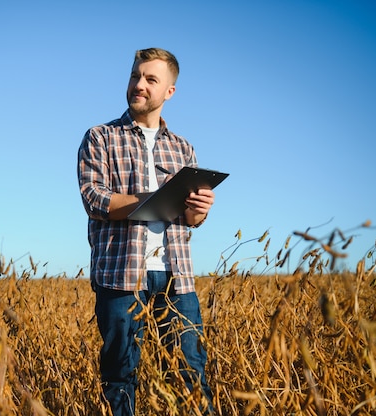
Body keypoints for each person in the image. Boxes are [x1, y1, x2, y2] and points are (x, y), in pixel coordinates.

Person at [77, 48, 215, 415]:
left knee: (191, 373)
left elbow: (191, 222)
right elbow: (94, 198)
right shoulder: (100, 137)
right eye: (135, 76)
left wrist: (197, 211)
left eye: (151, 79)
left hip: (177, 277)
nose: (139, 85)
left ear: (169, 92)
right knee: (120, 378)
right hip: (122, 275)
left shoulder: (183, 148)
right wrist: (149, 200)